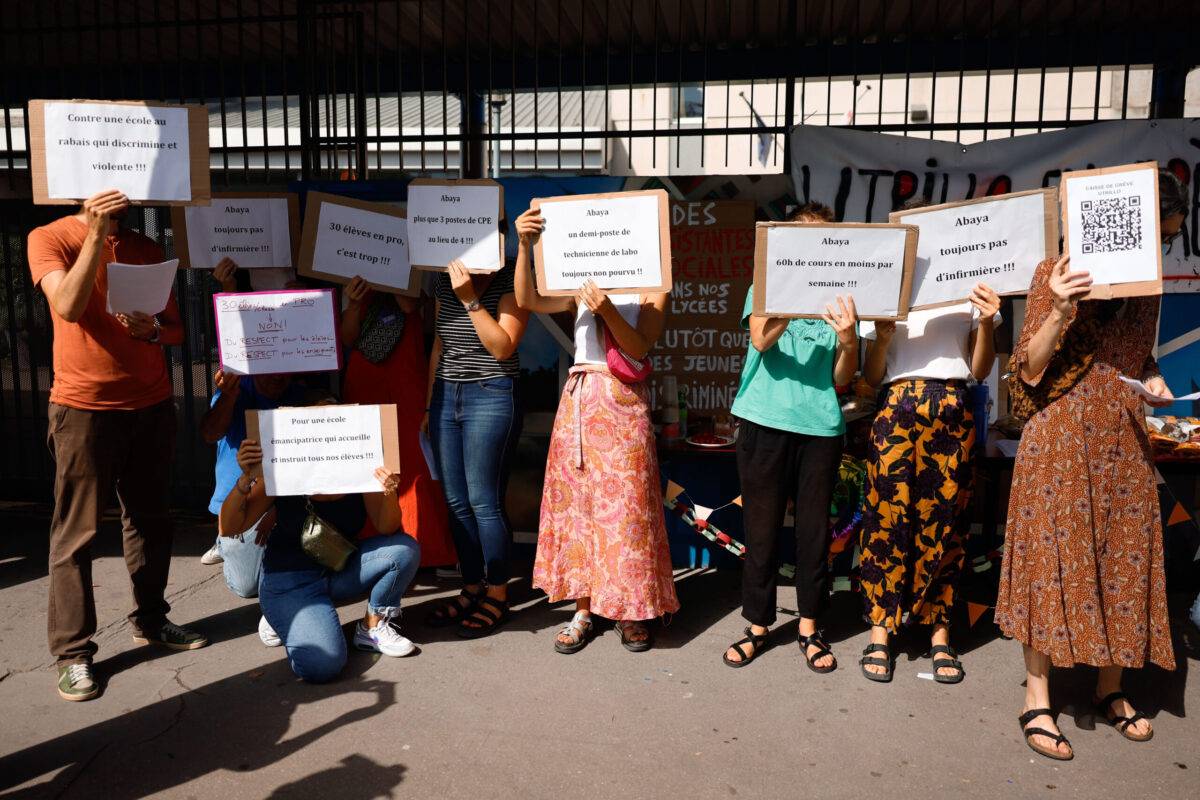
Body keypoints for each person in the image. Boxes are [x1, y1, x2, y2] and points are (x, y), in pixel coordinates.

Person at [995, 171, 1187, 760]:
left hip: (1122, 440)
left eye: (1170, 241)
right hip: (1059, 436)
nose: (1160, 250)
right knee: (1051, 556)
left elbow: (1136, 351)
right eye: (1158, 235)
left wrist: (1152, 377)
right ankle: (1037, 696)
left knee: (1121, 556)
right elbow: (1028, 369)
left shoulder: (1148, 288)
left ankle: (1112, 689)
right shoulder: (1053, 272)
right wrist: (1058, 306)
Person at [28, 189, 209, 702]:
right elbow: (66, 305)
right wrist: (96, 233)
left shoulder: (147, 248)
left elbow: (174, 332)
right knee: (77, 533)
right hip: (84, 409)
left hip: (150, 406)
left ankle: (152, 620)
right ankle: (73, 654)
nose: (121, 197)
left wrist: (153, 331)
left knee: (152, 521)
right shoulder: (49, 237)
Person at [513, 207, 680, 654]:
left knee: (627, 509)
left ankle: (629, 609)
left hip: (623, 404)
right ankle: (583, 608)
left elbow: (640, 346)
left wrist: (605, 307)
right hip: (581, 403)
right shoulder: (579, 281)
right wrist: (526, 245)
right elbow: (528, 300)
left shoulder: (654, 285)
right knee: (580, 509)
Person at [857, 237, 1001, 684]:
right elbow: (870, 376)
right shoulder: (882, 285)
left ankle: (940, 631)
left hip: (952, 407)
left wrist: (988, 322)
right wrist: (881, 337)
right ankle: (881, 630)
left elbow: (979, 371)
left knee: (946, 522)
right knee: (885, 519)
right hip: (895, 404)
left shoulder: (968, 283)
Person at [721, 202, 857, 672]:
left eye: (821, 239)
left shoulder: (841, 299)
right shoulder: (766, 286)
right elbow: (760, 339)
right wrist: (796, 294)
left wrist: (849, 339)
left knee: (814, 536)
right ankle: (757, 626)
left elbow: (844, 376)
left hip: (820, 428)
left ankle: (810, 627)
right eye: (802, 238)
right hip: (762, 422)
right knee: (760, 533)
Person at [221, 436, 421, 682]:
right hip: (289, 581)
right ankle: (284, 617)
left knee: (404, 549)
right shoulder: (283, 471)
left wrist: (388, 491)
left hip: (338, 568)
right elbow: (228, 527)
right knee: (322, 666)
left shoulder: (359, 471)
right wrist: (245, 480)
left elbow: (387, 527)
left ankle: (372, 626)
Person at [423, 257, 529, 637]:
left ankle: (498, 593)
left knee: (484, 501)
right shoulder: (443, 275)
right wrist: (428, 402)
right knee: (455, 500)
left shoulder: (511, 276)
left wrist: (469, 298)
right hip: (445, 395)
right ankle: (471, 585)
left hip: (492, 393)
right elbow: (438, 342)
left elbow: (502, 346)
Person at [341, 276, 456, 568]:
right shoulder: (351, 273)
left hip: (406, 371)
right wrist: (355, 301)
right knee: (367, 456)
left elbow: (408, 304)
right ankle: (372, 543)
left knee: (415, 459)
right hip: (365, 374)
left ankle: (427, 546)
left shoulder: (413, 262)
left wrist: (387, 270)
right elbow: (346, 338)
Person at [200, 367, 307, 646]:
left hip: (281, 504)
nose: (276, 376)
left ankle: (279, 597)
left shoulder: (299, 395)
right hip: (240, 507)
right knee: (247, 585)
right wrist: (229, 393)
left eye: (283, 372)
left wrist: (279, 510)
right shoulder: (236, 390)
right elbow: (210, 434)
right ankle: (224, 543)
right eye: (269, 372)